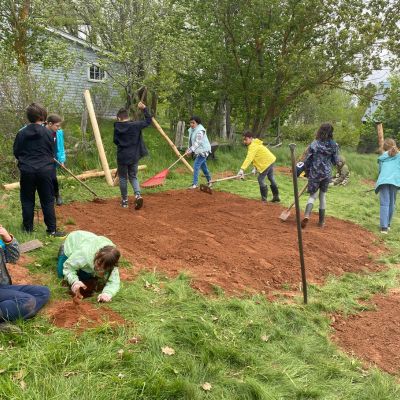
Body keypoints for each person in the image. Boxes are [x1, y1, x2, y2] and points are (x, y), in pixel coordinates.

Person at [13, 103, 65, 237]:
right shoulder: (49, 133)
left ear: (29, 116)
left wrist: (26, 161)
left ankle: (28, 229)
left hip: (27, 171)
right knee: (47, 200)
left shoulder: (21, 133)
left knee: (27, 200)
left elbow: (17, 152)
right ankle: (52, 230)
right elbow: (51, 152)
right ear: (43, 116)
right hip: (45, 170)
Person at [0, 224, 50, 332]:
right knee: (26, 300)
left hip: (2, 286)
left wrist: (7, 238)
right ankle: (12, 315)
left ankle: (8, 318)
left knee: (43, 292)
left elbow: (13, 258)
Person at [57, 230, 121, 302]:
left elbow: (114, 282)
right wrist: (74, 281)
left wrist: (107, 294)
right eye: (99, 263)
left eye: (104, 268)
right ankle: (62, 250)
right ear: (97, 255)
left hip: (88, 240)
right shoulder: (83, 254)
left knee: (85, 277)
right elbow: (68, 268)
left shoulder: (111, 263)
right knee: (61, 274)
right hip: (74, 241)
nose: (99, 268)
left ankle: (87, 271)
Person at [114, 101, 152, 210]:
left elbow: (116, 141)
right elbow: (149, 121)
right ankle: (138, 195)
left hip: (122, 156)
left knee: (122, 178)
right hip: (134, 156)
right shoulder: (136, 125)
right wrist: (144, 108)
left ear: (119, 118)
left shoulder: (117, 126)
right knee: (133, 176)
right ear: (127, 116)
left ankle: (125, 201)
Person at [301, 123, 339, 229]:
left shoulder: (314, 144)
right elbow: (336, 161)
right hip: (326, 174)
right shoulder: (334, 145)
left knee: (312, 196)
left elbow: (308, 160)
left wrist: (307, 172)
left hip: (315, 173)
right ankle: (321, 222)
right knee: (322, 196)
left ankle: (307, 215)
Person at [237, 131, 280, 202]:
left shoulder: (253, 146)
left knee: (260, 179)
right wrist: (255, 168)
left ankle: (264, 199)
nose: (244, 141)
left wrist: (242, 169)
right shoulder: (255, 143)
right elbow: (256, 157)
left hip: (266, 163)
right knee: (271, 178)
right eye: (243, 140)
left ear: (251, 138)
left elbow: (249, 158)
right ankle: (276, 197)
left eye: (246, 139)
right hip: (271, 160)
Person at [375, 138, 400, 234]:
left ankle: (384, 228)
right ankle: (388, 225)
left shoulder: (383, 157)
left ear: (385, 147)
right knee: (391, 203)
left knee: (384, 203)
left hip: (384, 181)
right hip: (395, 181)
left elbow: (380, 171)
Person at [184, 116, 212, 189]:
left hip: (204, 150)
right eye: (190, 122)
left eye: (193, 123)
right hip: (199, 150)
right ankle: (210, 181)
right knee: (204, 167)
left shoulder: (200, 131)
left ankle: (195, 184)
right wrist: (188, 149)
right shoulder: (191, 130)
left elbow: (197, 143)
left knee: (196, 165)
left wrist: (190, 151)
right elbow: (190, 141)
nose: (191, 124)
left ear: (197, 123)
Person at [47, 114, 66, 206]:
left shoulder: (58, 133)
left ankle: (57, 196)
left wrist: (62, 160)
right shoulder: (42, 131)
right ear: (50, 124)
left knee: (53, 178)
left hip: (53, 159)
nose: (58, 128)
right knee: (44, 179)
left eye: (59, 126)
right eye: (57, 126)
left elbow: (61, 147)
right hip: (43, 159)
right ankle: (46, 198)